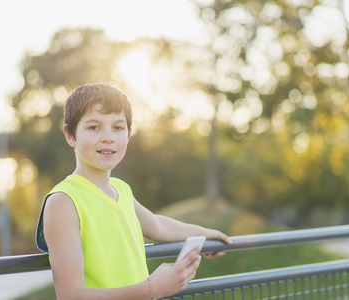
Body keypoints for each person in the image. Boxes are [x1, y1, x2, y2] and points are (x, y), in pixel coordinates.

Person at [36, 82, 231, 300]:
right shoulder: (63, 201)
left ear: (128, 134)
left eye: (117, 127)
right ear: (70, 135)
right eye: (94, 127)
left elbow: (157, 225)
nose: (108, 137)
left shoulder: (122, 190)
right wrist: (151, 289)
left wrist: (204, 233)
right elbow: (71, 296)